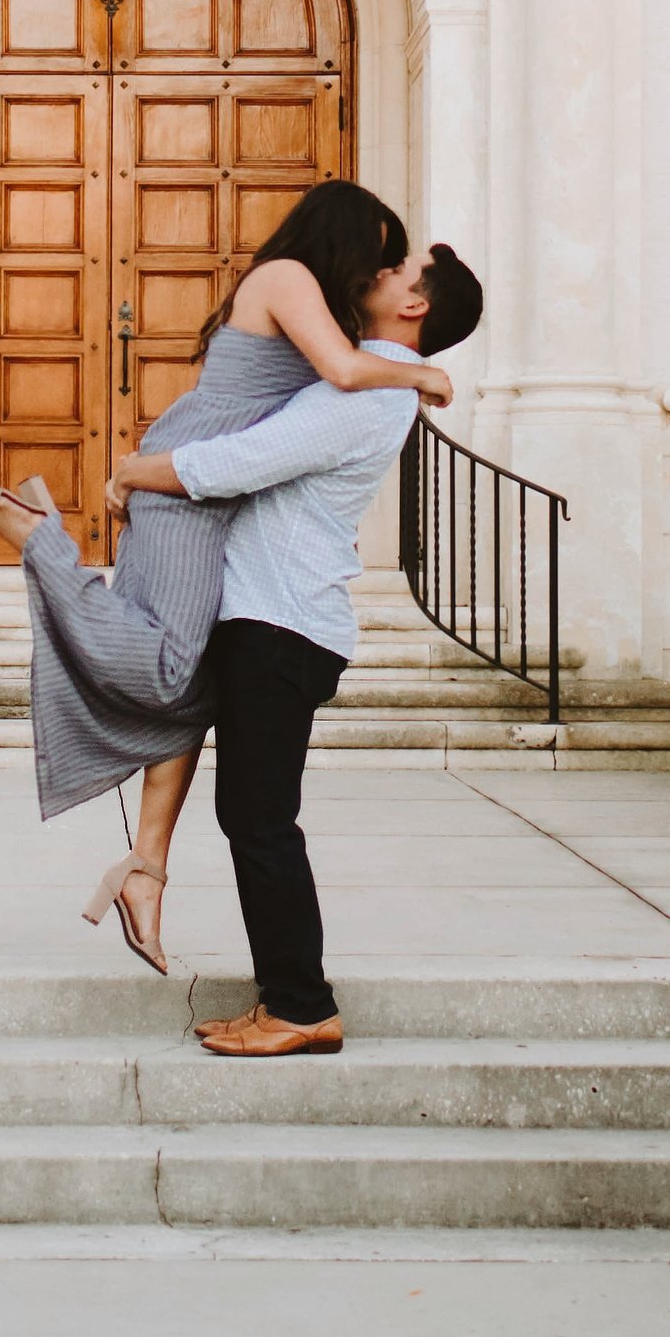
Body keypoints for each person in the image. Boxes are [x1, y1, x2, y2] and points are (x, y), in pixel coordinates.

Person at [0, 185, 448, 971]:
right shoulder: (287, 277)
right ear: (344, 236)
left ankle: (144, 872)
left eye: (395, 263)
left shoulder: (315, 300)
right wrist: (422, 377)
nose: (381, 268)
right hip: (190, 477)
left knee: (198, 688)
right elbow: (348, 372)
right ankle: (41, 536)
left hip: (217, 488)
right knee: (168, 668)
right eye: (381, 249)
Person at [120, 238, 485, 1057]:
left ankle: (300, 1004)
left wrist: (133, 469)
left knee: (259, 816)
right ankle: (284, 997)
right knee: (251, 812)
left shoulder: (362, 391)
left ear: (413, 305)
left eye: (394, 270)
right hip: (271, 619)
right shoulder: (364, 377)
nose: (376, 268)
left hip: (281, 625)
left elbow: (243, 460)